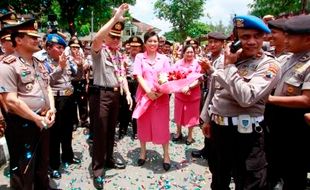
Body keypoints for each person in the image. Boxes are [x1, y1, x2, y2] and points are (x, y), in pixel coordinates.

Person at [199, 15, 281, 189]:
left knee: (248, 183)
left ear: (264, 38)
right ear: (235, 39)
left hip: (247, 135)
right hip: (219, 129)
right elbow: (214, 91)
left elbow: (246, 98)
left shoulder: (268, 65)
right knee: (219, 177)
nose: (252, 41)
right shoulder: (225, 59)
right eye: (245, 37)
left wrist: (229, 67)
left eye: (257, 36)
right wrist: (207, 118)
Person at [0, 19, 56, 190]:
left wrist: (52, 109)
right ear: (18, 40)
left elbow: (48, 88)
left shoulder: (39, 64)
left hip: (43, 120)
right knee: (24, 168)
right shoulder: (7, 66)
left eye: (37, 36)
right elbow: (10, 100)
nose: (37, 39)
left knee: (42, 165)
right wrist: (35, 118)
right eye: (32, 36)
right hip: (22, 125)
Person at [90, 3, 133, 189]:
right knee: (100, 132)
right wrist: (115, 19)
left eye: (118, 37)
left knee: (111, 132)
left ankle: (109, 159)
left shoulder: (118, 55)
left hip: (116, 97)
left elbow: (121, 75)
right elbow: (97, 37)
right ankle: (97, 169)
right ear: (107, 36)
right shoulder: (99, 52)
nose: (115, 40)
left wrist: (128, 93)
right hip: (101, 95)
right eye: (112, 36)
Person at [266, 15, 310, 190]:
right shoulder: (287, 58)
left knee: (294, 175)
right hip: (276, 123)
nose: (286, 39)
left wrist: (269, 99)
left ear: (307, 39)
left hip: (296, 127)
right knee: (273, 168)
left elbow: (307, 99)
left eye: (291, 36)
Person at [41, 34, 82, 179]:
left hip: (69, 98)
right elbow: (47, 82)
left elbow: (77, 77)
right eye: (58, 47)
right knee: (54, 134)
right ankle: (53, 165)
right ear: (48, 48)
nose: (61, 50)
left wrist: (80, 65)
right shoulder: (43, 63)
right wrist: (60, 67)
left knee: (67, 130)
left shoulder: (68, 60)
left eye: (63, 48)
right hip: (56, 100)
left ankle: (68, 156)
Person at [133, 30, 171, 171]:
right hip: (144, 96)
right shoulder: (139, 57)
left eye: (155, 41)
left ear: (158, 43)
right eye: (150, 41)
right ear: (145, 43)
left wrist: (159, 93)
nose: (153, 43)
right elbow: (138, 75)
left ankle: (166, 155)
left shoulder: (164, 59)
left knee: (162, 126)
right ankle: (143, 152)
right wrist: (148, 92)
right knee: (143, 125)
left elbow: (168, 78)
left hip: (161, 98)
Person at [263, 18, 292, 189]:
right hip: (267, 110)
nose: (270, 36)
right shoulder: (269, 55)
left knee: (283, 150)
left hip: (283, 111)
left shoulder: (291, 58)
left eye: (274, 32)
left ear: (286, 35)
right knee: (268, 145)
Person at [192, 31, 227, 159]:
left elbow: (221, 79)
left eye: (216, 42)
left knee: (213, 123)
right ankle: (207, 149)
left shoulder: (224, 60)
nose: (212, 45)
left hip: (218, 95)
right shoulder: (209, 57)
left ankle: (212, 152)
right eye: (210, 42)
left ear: (223, 44)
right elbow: (205, 76)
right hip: (207, 92)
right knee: (205, 120)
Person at [171, 45, 201, 145]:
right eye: (187, 52)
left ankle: (190, 135)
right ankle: (178, 132)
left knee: (192, 116)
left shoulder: (197, 64)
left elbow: (199, 79)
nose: (189, 54)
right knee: (178, 114)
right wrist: (180, 87)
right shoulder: (178, 63)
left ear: (194, 53)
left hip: (193, 95)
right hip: (180, 94)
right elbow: (172, 76)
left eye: (191, 52)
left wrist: (189, 87)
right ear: (183, 53)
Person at [118, 36, 143, 140]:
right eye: (132, 46)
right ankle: (122, 129)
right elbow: (122, 73)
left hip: (139, 84)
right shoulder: (124, 58)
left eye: (136, 47)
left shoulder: (143, 59)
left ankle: (136, 131)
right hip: (128, 83)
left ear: (140, 48)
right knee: (124, 107)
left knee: (137, 107)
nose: (134, 48)